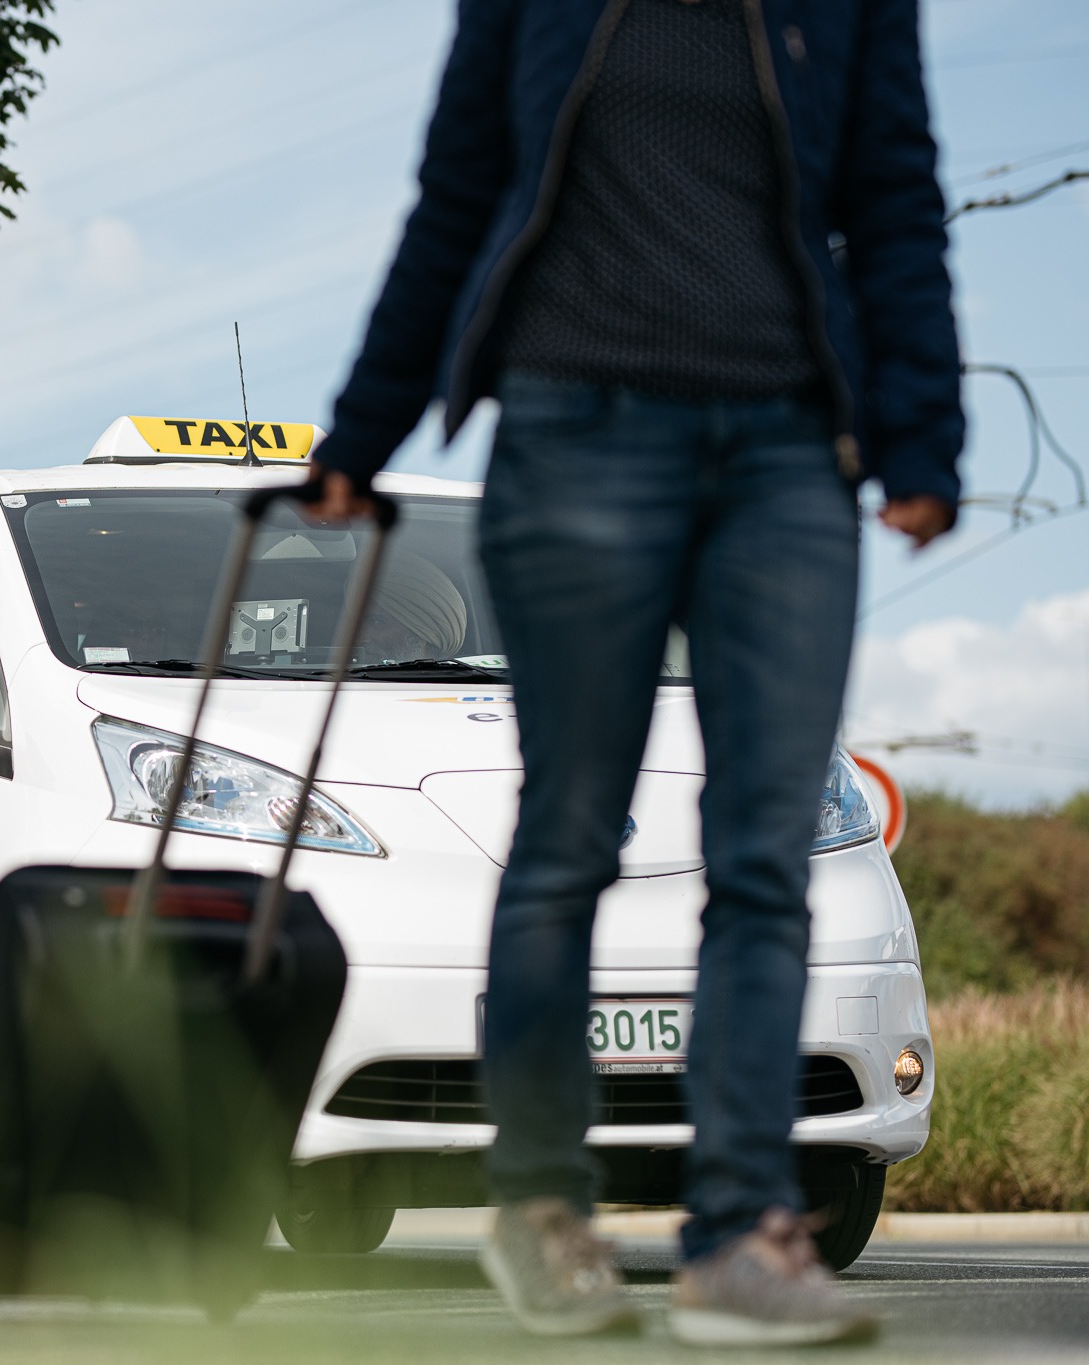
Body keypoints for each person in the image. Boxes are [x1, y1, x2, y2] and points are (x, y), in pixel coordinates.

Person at [310, 0, 960, 1346]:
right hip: (575, 430)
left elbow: (897, 194)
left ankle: (738, 1237)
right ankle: (542, 1204)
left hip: (788, 449)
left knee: (764, 851)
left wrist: (926, 436)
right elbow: (460, 188)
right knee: (570, 836)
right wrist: (362, 432)